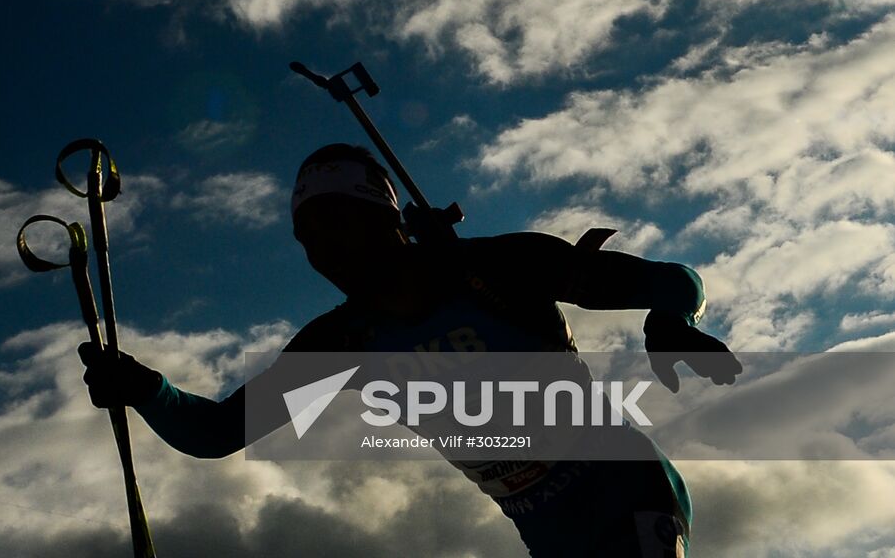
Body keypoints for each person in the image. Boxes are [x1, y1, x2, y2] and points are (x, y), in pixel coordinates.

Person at [79, 143, 741, 557]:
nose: (322, 252)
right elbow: (219, 432)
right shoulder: (341, 344)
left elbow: (673, 280)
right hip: (548, 533)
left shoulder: (497, 269)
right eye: (306, 238)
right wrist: (142, 387)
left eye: (334, 225)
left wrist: (670, 321)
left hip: (630, 496)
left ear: (384, 220)